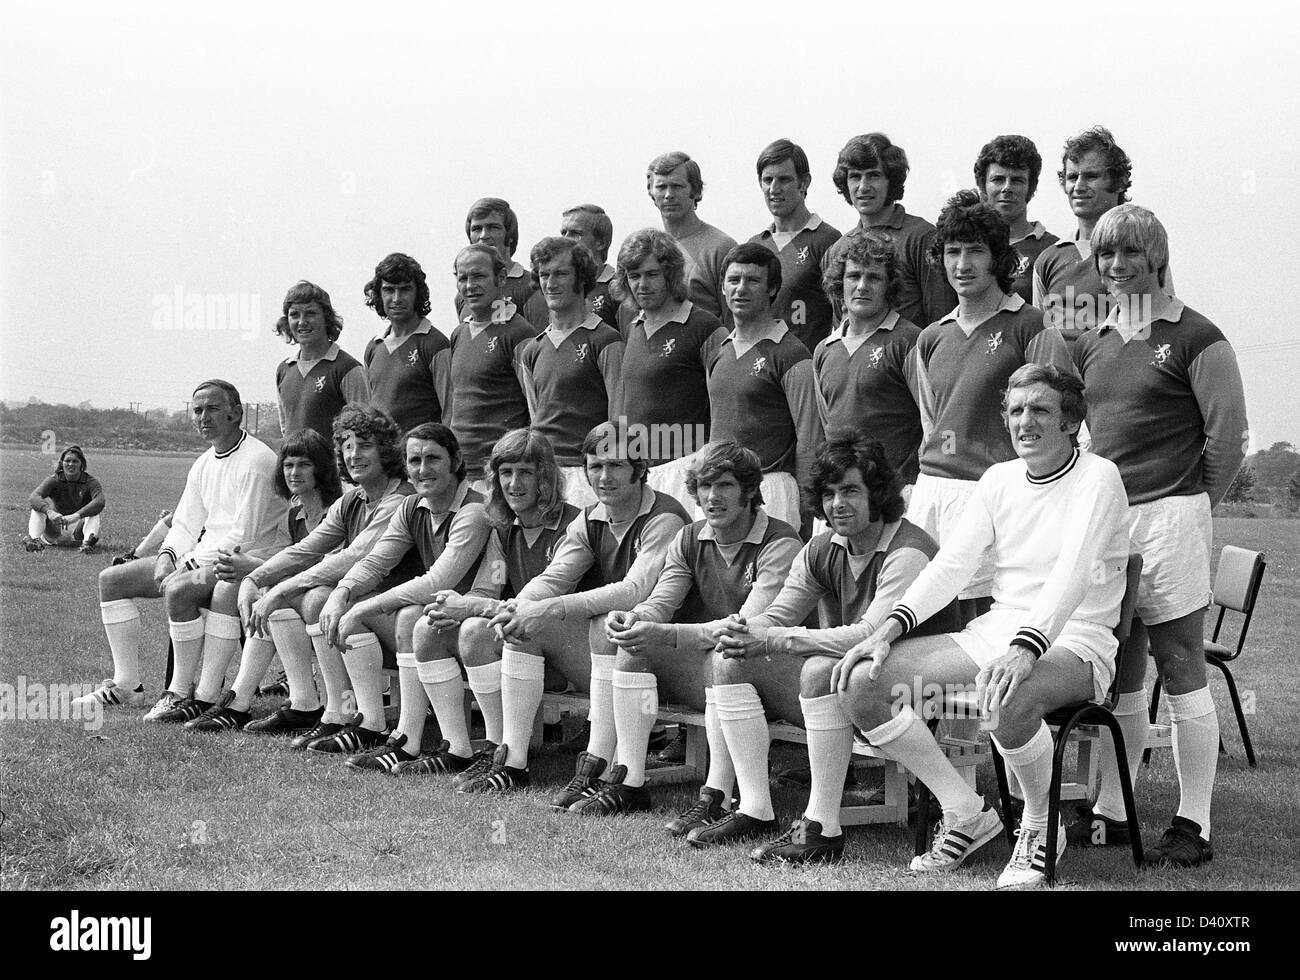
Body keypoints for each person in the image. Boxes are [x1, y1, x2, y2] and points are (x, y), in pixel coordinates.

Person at [837, 364, 1130, 889]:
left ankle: (1040, 826)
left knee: (1006, 695)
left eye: (1040, 409)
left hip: (1079, 639)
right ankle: (966, 812)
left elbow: (1075, 571)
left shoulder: (1099, 477)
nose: (1025, 421)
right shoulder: (997, 479)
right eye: (1016, 411)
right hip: (999, 632)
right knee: (864, 684)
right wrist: (888, 629)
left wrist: (1027, 648)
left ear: (1071, 421)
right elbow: (951, 565)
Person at [1071, 205, 1248, 868]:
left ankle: (1192, 823)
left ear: (1157, 258)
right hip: (1111, 524)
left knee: (1181, 669)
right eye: (1107, 256)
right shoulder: (1099, 337)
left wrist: (1192, 501)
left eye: (1130, 256)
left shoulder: (1199, 336)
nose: (1116, 269)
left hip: (1173, 518)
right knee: (1120, 670)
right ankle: (1113, 811)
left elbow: (1227, 439)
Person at [699, 435, 957, 862]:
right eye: (830, 493)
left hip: (916, 695)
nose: (838, 503)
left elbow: (869, 634)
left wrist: (774, 638)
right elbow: (779, 614)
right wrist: (744, 629)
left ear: (877, 493)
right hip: (854, 681)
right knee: (730, 660)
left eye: (851, 491)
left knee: (818, 669)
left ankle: (821, 826)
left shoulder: (909, 549)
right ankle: (754, 809)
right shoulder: (824, 546)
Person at [467, 422, 690, 800]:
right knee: (528, 626)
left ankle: (599, 766)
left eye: (616, 465)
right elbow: (553, 578)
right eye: (595, 466)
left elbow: (633, 591)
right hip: (616, 652)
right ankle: (512, 762)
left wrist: (549, 608)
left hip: (667, 654)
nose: (604, 477)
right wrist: (520, 608)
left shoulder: (664, 517)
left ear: (640, 468)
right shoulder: (589, 518)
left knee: (605, 621)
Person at [594, 442, 802, 819]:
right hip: (711, 668)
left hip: (770, 676)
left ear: (750, 491)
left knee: (725, 654)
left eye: (724, 486)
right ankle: (630, 783)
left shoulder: (780, 543)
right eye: (704, 487)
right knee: (633, 645)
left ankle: (717, 796)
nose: (712, 496)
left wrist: (663, 634)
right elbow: (661, 602)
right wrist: (635, 617)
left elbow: (743, 629)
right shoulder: (689, 537)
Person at [73, 381, 287, 713]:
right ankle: (127, 685)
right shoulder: (203, 462)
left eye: (213, 409)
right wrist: (167, 557)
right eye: (198, 410)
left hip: (241, 564)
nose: (204, 417)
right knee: (111, 580)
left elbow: (242, 536)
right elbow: (185, 523)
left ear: (236, 414)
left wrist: (186, 567)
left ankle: (178, 693)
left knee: (180, 590)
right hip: (200, 559)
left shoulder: (258, 460)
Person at [908, 190, 1072, 620]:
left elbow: (1059, 420)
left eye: (975, 251)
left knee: (980, 623)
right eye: (952, 252)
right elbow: (932, 423)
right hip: (931, 491)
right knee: (922, 617)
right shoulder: (931, 338)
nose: (962, 265)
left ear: (998, 257)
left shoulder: (1031, 326)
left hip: (995, 494)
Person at [411, 427, 586, 786]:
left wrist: (472, 608)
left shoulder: (573, 524)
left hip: (575, 653)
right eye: (506, 473)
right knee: (430, 626)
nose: (514, 483)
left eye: (525, 472)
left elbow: (537, 600)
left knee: (487, 627)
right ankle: (463, 747)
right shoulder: (505, 529)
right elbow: (486, 587)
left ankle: (510, 758)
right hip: (523, 640)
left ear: (546, 477)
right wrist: (455, 604)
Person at [229, 406, 416, 738]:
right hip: (373, 604)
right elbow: (307, 549)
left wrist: (280, 588)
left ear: (386, 449)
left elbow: (355, 556)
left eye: (365, 445)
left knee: (316, 599)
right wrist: (255, 579)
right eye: (347, 446)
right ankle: (321, 707)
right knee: (302, 600)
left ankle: (365, 721)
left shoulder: (400, 499)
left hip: (403, 612)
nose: (354, 454)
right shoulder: (354, 499)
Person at [314, 423, 491, 764]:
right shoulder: (412, 506)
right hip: (441, 624)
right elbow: (377, 561)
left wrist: (359, 610)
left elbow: (435, 582)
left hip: (479, 625)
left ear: (455, 460)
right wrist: (343, 592)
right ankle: (383, 729)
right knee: (396, 613)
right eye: (414, 460)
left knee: (411, 614)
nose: (422, 469)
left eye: (432, 458)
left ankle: (429, 742)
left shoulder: (474, 511)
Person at [182, 429, 342, 731]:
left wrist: (252, 568)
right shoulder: (295, 510)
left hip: (330, 600)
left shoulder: (337, 509)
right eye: (288, 465)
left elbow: (321, 564)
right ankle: (240, 700)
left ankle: (258, 701)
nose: (294, 472)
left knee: (270, 589)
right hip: (305, 598)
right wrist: (241, 562)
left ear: (322, 467)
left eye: (304, 464)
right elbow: (281, 551)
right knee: (245, 585)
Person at [707, 242, 822, 533]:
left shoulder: (792, 354)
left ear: (772, 289)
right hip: (718, 492)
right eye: (734, 280)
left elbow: (809, 439)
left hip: (771, 491)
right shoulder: (719, 351)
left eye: (753, 280)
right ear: (723, 288)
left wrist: (808, 509)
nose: (741, 289)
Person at [611, 228, 727, 513]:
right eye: (634, 276)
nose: (642, 284)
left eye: (652, 274)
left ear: (671, 275)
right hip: (641, 473)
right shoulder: (633, 328)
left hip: (686, 467)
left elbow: (723, 403)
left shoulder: (704, 326)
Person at [518, 237, 625, 506]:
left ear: (582, 279)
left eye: (561, 273)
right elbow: (535, 414)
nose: (550, 283)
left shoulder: (605, 340)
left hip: (585, 474)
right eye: (544, 274)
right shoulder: (533, 349)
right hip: (543, 473)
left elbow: (619, 419)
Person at [1032, 126, 1170, 334]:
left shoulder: (1143, 248)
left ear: (1119, 182)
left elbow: (1165, 325)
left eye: (1091, 176)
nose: (1079, 186)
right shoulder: (1048, 260)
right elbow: (1040, 339)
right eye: (1072, 177)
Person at [815, 231, 923, 491]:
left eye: (873, 277)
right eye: (853, 276)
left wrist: (908, 485)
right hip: (840, 492)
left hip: (895, 492)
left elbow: (931, 422)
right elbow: (825, 429)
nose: (862, 286)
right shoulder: (823, 350)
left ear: (890, 285)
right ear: (839, 282)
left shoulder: (909, 341)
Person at [822, 133, 954, 328]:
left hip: (908, 354)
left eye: (873, 175)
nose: (863, 186)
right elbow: (840, 327)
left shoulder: (922, 237)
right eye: (855, 177)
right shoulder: (837, 250)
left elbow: (942, 319)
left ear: (891, 179)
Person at [443, 244, 536, 487]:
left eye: (479, 276)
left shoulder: (518, 332)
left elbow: (535, 405)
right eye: (463, 278)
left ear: (501, 278)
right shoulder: (458, 334)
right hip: (461, 471)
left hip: (500, 472)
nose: (470, 285)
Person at [749, 139, 841, 351]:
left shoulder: (828, 240)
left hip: (806, 366)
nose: (774, 189)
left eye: (784, 179)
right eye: (768, 179)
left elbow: (842, 316)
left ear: (804, 182)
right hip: (761, 368)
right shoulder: (755, 246)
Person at [363, 252, 451, 433]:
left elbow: (450, 411)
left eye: (405, 289)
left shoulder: (435, 344)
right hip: (384, 458)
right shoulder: (373, 348)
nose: (396, 299)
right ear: (379, 294)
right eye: (389, 290)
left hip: (420, 456)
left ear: (418, 293)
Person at [646, 151, 737, 324]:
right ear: (651, 192)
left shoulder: (720, 248)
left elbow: (735, 322)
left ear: (695, 190)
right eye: (661, 187)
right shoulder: (646, 249)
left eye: (677, 186)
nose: (668, 194)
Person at [274, 282, 370, 441]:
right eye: (294, 315)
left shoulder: (347, 369)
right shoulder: (284, 370)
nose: (302, 322)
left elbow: (364, 432)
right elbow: (286, 431)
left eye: (310, 313)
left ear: (326, 318)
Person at [974, 135, 1058, 304]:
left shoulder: (1052, 249)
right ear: (983, 186)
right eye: (998, 179)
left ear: (1031, 187)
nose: (1007, 188)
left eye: (1017, 180)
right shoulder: (966, 246)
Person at [525, 205, 621, 329]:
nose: (565, 239)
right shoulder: (546, 293)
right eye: (563, 233)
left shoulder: (619, 288)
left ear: (600, 243)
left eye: (576, 233)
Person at [457, 197, 544, 328]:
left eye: (493, 227)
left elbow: (540, 341)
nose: (483, 235)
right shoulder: (463, 295)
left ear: (510, 235)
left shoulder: (530, 286)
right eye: (477, 229)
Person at [26, 446, 105, 553]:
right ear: (62, 463)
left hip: (77, 533)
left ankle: (86, 544)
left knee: (94, 513)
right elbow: (34, 497)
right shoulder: (54, 480)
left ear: (82, 463)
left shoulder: (91, 482)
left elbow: (99, 501)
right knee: (37, 508)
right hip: (55, 530)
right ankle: (34, 541)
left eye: (75, 461)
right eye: (67, 461)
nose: (71, 464)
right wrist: (49, 512)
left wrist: (76, 516)